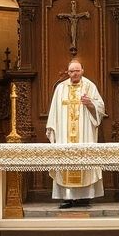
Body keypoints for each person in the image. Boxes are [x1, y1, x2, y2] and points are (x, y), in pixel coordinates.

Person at [46, 58, 105, 208]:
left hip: (84, 133)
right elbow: (54, 110)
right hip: (64, 134)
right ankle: (67, 197)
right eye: (71, 71)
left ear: (82, 71)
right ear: (68, 72)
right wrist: (52, 128)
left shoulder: (89, 86)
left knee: (84, 160)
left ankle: (85, 197)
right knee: (65, 161)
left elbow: (100, 107)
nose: (74, 74)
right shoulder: (60, 88)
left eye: (77, 71)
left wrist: (90, 104)